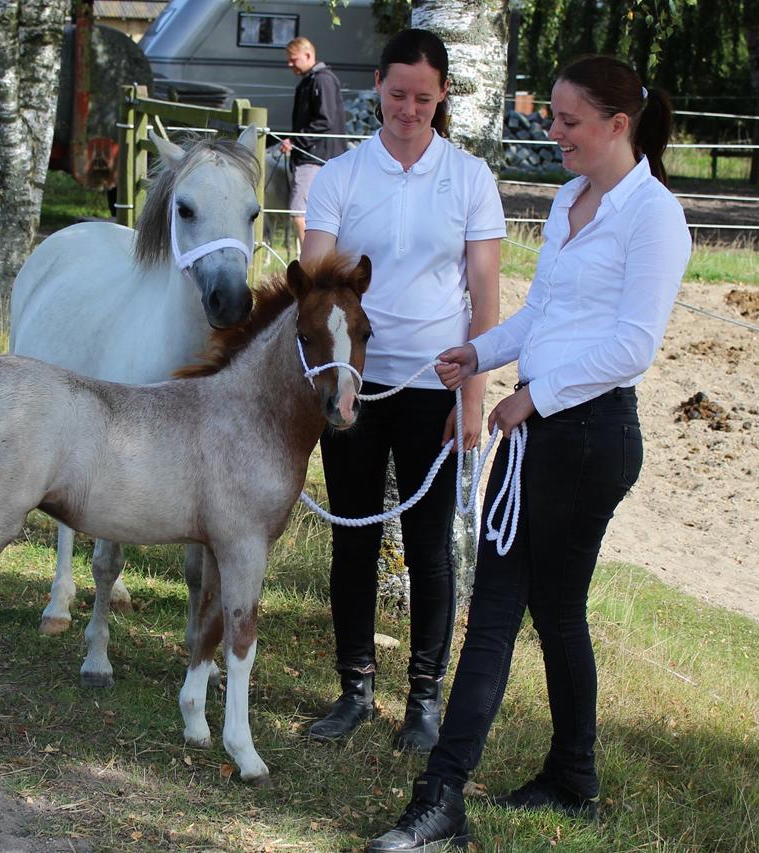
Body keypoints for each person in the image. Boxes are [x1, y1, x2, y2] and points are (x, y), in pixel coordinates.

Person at [365, 55, 692, 852]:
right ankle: (572, 776)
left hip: (586, 437)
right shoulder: (571, 200)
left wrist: (529, 399)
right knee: (556, 610)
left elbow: (632, 346)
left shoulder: (654, 216)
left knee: (499, 612)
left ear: (619, 125)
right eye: (550, 117)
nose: (553, 134)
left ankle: (440, 799)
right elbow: (541, 316)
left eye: (568, 122)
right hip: (548, 430)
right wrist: (477, 353)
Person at [300, 29, 505, 754]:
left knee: (429, 545)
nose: (409, 109)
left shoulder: (471, 179)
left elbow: (485, 296)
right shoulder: (341, 176)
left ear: (443, 93)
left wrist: (473, 396)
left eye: (423, 97)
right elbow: (316, 283)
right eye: (396, 94)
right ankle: (354, 686)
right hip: (356, 387)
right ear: (377, 88)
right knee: (353, 535)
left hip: (435, 385)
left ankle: (424, 697)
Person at [280, 37, 348, 247]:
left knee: (299, 212)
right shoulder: (312, 81)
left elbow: (324, 120)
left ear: (308, 55)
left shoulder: (321, 81)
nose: (289, 64)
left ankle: (311, 265)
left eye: (293, 59)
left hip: (315, 157)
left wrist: (296, 141)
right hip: (316, 155)